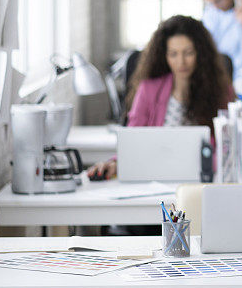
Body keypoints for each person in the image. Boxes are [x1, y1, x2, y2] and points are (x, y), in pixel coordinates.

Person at [87, 15, 234, 180]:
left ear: (200, 53)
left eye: (188, 53)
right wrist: (116, 163)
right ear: (164, 55)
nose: (181, 62)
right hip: (155, 179)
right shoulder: (148, 90)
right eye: (173, 54)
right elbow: (133, 141)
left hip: (201, 180)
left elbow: (228, 149)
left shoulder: (221, 91)